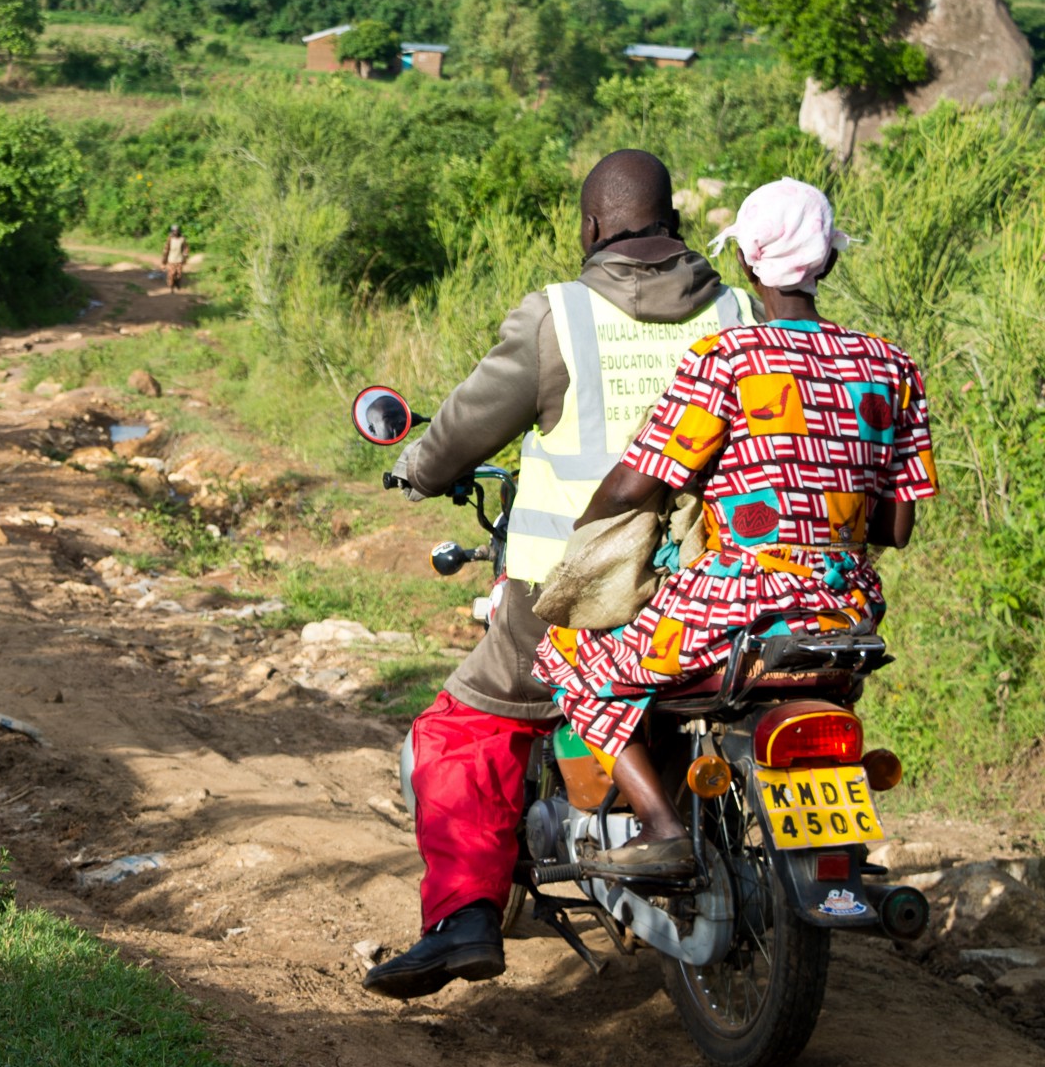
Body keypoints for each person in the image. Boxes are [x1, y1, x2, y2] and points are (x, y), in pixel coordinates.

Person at [363, 149, 755, 1000]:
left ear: (590, 229)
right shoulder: (740, 308)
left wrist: (420, 466)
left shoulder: (561, 317)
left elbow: (469, 422)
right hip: (713, 591)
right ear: (677, 223)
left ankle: (466, 915)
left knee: (461, 731)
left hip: (573, 598)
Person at [532, 177, 935, 875]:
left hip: (737, 607)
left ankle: (661, 825)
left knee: (569, 656)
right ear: (829, 262)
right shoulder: (892, 367)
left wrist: (588, 524)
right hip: (847, 611)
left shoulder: (727, 359)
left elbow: (641, 478)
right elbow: (897, 527)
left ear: (747, 265)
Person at [160, 225, 189, 291]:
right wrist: (164, 261)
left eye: (176, 230)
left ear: (178, 231)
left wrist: (185, 254)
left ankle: (177, 283)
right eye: (174, 231)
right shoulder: (170, 239)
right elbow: (166, 249)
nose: (175, 232)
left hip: (179, 259)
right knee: (171, 274)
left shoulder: (182, 239)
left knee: (179, 274)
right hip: (171, 260)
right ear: (172, 231)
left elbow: (185, 248)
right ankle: (171, 286)